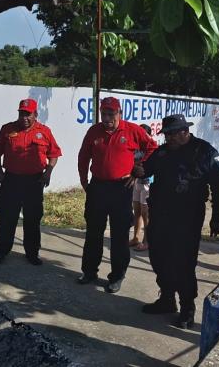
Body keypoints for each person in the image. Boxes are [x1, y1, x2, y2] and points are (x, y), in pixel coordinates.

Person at [133, 114, 219, 329]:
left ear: (185, 131)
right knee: (159, 257)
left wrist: (217, 217)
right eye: (166, 134)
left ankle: (187, 308)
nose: (169, 138)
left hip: (188, 216)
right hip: (160, 213)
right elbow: (147, 169)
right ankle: (167, 299)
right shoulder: (163, 151)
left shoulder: (205, 152)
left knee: (183, 263)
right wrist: (139, 170)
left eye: (173, 133)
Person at [77, 97, 158, 293]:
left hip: (122, 187)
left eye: (111, 114)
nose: (106, 118)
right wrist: (84, 180)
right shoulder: (94, 131)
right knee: (94, 231)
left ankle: (117, 275)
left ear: (119, 113)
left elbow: (152, 147)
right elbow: (83, 155)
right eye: (103, 114)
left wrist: (138, 169)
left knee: (120, 234)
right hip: (97, 186)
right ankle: (89, 271)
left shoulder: (131, 130)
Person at [0, 98, 62, 265]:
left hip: (34, 181)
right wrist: (0, 173)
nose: (25, 118)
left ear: (35, 114)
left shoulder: (44, 131)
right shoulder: (7, 129)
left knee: (32, 218)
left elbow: (54, 154)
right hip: (12, 180)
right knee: (7, 217)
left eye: (28, 114)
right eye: (22, 114)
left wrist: (48, 172)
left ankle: (32, 253)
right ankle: (1, 252)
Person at [130, 124, 155, 251]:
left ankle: (147, 241)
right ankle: (135, 237)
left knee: (146, 213)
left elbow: (146, 164)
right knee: (137, 211)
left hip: (147, 183)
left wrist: (136, 165)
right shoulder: (135, 147)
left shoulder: (150, 148)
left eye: (143, 135)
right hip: (136, 182)